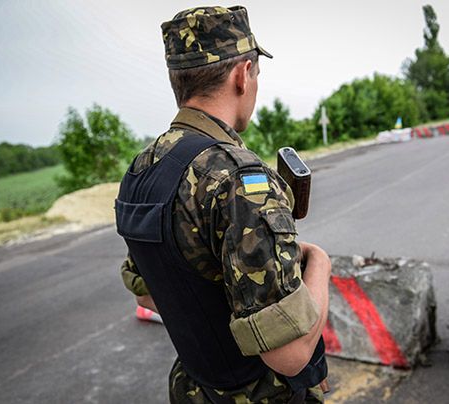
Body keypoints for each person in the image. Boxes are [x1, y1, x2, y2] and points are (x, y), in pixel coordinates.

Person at [116, 6, 331, 403]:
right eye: (256, 75)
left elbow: (148, 294)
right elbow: (291, 355)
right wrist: (319, 262)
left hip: (193, 390)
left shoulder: (142, 169)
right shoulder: (240, 177)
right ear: (241, 75)